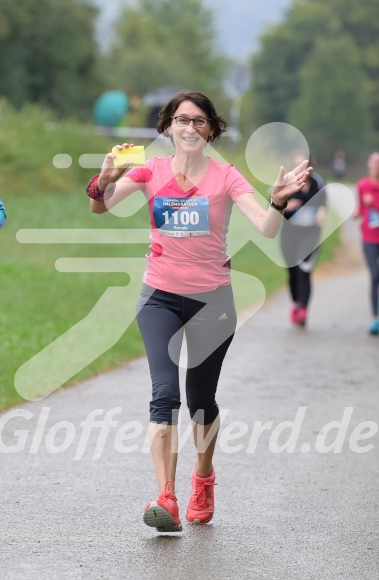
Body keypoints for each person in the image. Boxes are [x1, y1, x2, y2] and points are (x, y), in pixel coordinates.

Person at [86, 91, 312, 532]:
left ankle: (203, 478)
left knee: (200, 401)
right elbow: (100, 205)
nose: (190, 127)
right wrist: (104, 178)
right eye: (181, 119)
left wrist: (278, 199)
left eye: (199, 121)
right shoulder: (149, 170)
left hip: (213, 301)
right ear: (168, 126)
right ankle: (165, 497)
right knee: (163, 396)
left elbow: (266, 228)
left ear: (211, 130)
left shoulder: (226, 177)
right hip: (159, 298)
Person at [280, 156, 327, 328]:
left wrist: (321, 213)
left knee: (304, 271)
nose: (301, 169)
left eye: (305, 165)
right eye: (297, 165)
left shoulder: (317, 183)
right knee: (292, 272)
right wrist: (286, 206)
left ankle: (303, 311)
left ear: (310, 167)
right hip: (289, 235)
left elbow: (323, 204)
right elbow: (272, 208)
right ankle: (296, 303)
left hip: (310, 235)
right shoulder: (285, 183)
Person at [354, 152, 379, 335]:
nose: (376, 165)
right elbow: (360, 209)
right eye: (374, 162)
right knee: (375, 275)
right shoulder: (362, 185)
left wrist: (374, 204)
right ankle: (375, 318)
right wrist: (356, 213)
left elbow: (372, 206)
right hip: (369, 238)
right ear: (369, 165)